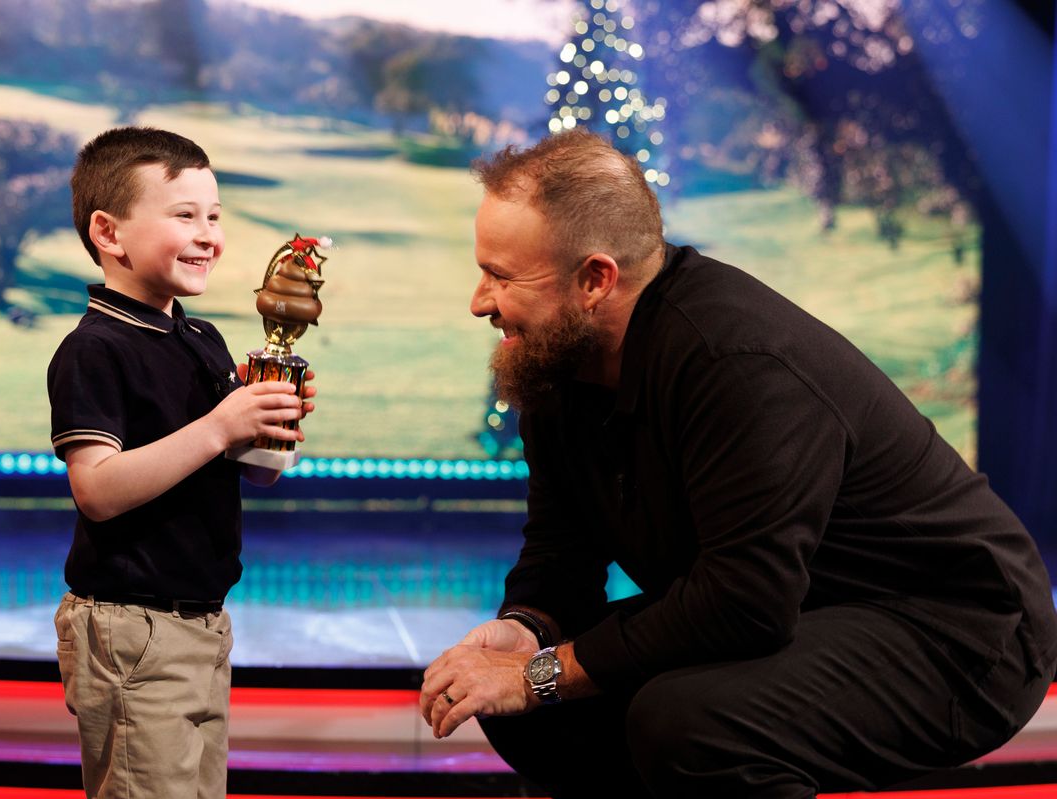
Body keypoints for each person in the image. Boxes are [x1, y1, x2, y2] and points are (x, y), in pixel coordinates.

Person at [420, 128, 1057, 798]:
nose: (479, 301)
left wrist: (540, 673)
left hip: (960, 632)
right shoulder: (555, 367)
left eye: (501, 275)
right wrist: (527, 633)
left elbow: (746, 601)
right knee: (535, 714)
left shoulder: (736, 362)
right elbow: (560, 553)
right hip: (807, 607)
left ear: (594, 280)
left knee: (689, 723)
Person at [47, 127, 313, 799]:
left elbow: (253, 470)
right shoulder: (94, 349)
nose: (208, 234)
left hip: (203, 624)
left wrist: (270, 427)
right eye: (184, 215)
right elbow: (98, 489)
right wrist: (221, 422)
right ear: (109, 232)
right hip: (131, 629)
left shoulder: (202, 337)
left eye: (215, 216)